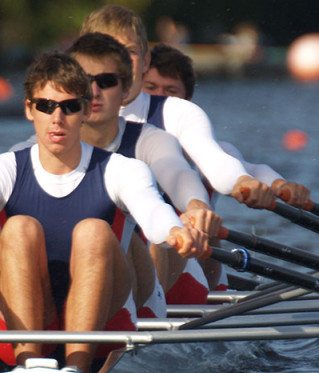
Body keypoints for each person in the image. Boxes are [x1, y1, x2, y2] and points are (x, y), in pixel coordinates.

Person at [0, 51, 208, 373]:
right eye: (46, 106)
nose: (57, 119)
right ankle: (31, 367)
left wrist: (176, 232)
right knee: (18, 229)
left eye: (69, 107)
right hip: (22, 325)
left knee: (94, 231)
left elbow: (154, 213)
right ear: (29, 109)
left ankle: (76, 369)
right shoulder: (1, 170)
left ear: (85, 110)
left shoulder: (123, 170)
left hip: (108, 328)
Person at [79, 4, 277, 293]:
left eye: (127, 54)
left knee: (154, 223)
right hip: (88, 262)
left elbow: (211, 161)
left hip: (172, 267)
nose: (114, 64)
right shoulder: (58, 123)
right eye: (102, 54)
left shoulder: (173, 119)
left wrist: (204, 202)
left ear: (145, 60)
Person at [67, 32, 219, 307]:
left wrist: (196, 205)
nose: (94, 91)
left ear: (126, 90)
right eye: (84, 82)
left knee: (108, 230)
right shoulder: (31, 151)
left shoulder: (155, 141)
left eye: (106, 81)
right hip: (70, 284)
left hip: (154, 283)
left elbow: (179, 176)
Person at [143, 43, 312, 289]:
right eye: (151, 89)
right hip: (148, 280)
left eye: (170, 92)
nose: (161, 102)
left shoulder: (210, 152)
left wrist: (282, 186)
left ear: (187, 101)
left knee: (196, 220)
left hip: (197, 287)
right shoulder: (126, 144)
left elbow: (253, 172)